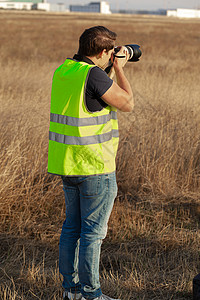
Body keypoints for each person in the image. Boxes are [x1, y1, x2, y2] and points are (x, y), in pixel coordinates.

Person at [48, 26, 133, 300]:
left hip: (68, 164)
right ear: (103, 52)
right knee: (93, 235)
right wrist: (120, 68)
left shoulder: (65, 71)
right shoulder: (95, 74)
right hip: (95, 167)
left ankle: (71, 291)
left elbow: (90, 93)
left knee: (71, 229)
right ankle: (91, 294)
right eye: (110, 53)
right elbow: (127, 103)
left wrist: (107, 67)